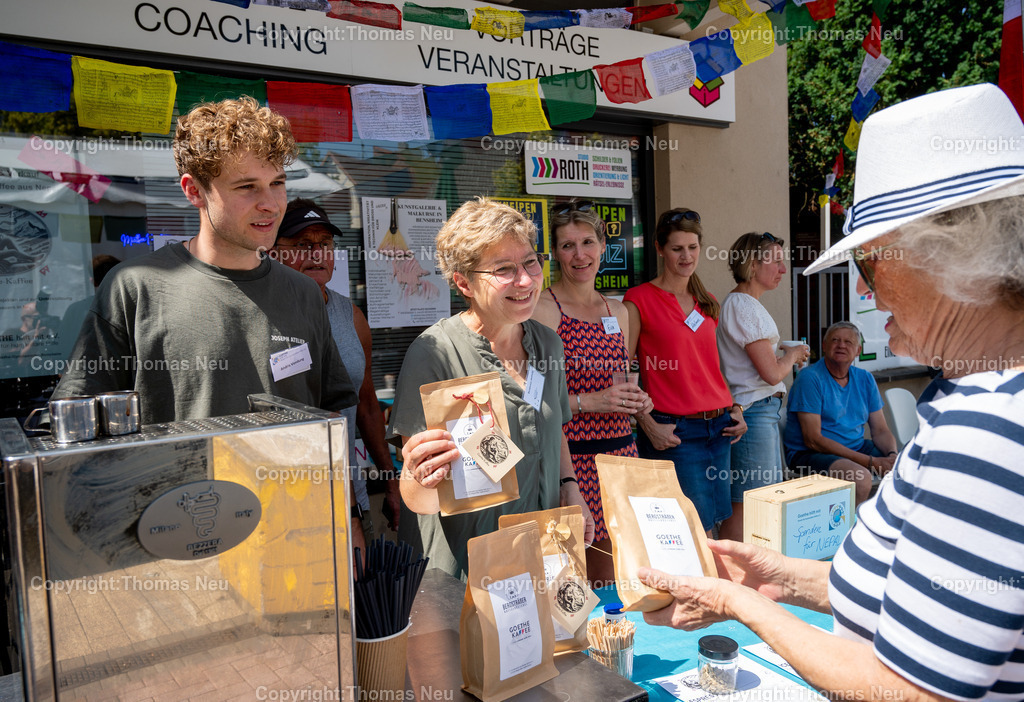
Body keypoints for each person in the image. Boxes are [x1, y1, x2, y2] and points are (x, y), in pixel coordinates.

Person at [638, 83, 1024, 700]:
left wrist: (742, 605)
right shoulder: (982, 401)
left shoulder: (991, 431)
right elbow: (909, 583)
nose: (866, 293)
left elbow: (909, 690)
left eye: (869, 264)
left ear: (952, 262)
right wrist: (782, 578)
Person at [54, 96, 358, 423]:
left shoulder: (305, 293)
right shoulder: (135, 288)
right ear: (194, 191)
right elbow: (81, 422)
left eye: (277, 183)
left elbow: (329, 413)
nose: (270, 204)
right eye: (247, 187)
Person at [387, 197, 594, 580]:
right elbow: (418, 496)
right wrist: (418, 475)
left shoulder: (548, 343)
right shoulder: (435, 353)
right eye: (504, 269)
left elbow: (556, 428)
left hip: (541, 554)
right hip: (467, 569)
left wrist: (570, 488)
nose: (526, 280)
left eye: (531, 262)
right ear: (463, 282)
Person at [531, 200, 651, 584]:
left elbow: (621, 380)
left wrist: (639, 402)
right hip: (573, 464)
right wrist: (588, 403)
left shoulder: (620, 311)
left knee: (624, 578)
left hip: (622, 458)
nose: (579, 255)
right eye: (567, 246)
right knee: (578, 585)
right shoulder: (543, 310)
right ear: (555, 254)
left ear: (603, 246)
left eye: (587, 242)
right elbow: (530, 400)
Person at [272, 198, 401, 536]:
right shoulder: (263, 316)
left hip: (348, 491)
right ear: (273, 251)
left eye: (325, 245)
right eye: (303, 244)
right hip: (281, 493)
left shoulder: (351, 316)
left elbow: (368, 406)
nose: (317, 254)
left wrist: (389, 480)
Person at [624, 208, 746, 535]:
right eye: (677, 248)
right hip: (675, 432)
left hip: (719, 428)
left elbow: (707, 366)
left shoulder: (707, 301)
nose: (686, 256)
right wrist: (647, 425)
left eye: (693, 247)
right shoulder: (638, 300)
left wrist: (735, 408)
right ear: (659, 248)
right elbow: (622, 374)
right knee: (693, 531)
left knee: (716, 525)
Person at [716, 233, 810, 541]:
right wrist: (793, 355)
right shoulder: (743, 304)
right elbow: (771, 374)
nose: (784, 269)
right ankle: (735, 580)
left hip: (756, 412)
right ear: (753, 266)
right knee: (748, 503)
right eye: (777, 261)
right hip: (753, 413)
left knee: (754, 501)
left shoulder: (743, 303)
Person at [783, 321, 897, 503]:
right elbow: (813, 439)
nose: (841, 345)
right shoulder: (810, 378)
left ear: (858, 350)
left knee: (905, 467)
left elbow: (881, 430)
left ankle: (890, 527)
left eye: (848, 342)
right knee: (860, 477)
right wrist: (871, 462)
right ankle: (851, 530)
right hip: (808, 454)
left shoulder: (865, 379)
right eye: (835, 340)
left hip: (855, 447)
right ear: (824, 346)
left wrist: (891, 455)